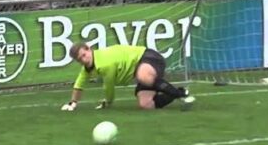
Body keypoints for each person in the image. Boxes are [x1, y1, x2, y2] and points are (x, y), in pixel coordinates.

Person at [61, 43, 193, 111]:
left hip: (148, 58)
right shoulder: (87, 69)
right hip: (139, 70)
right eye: (80, 60)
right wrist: (73, 103)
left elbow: (109, 86)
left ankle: (181, 94)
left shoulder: (104, 62)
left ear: (89, 49)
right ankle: (178, 92)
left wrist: (108, 102)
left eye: (84, 55)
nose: (84, 60)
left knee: (143, 76)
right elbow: (78, 86)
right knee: (146, 105)